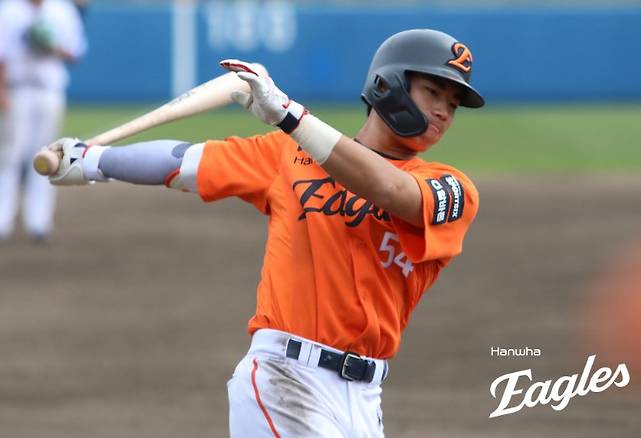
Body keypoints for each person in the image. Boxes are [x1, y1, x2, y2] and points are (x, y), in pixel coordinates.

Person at [44, 29, 484, 436]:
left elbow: (389, 189)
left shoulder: (452, 189)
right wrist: (92, 160)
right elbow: (181, 161)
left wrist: (288, 114)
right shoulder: (287, 156)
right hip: (284, 378)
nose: (443, 111)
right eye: (433, 92)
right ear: (388, 85)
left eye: (452, 103)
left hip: (365, 402)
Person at [0, 0, 86, 242]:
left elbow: (76, 52)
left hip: (49, 91)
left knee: (47, 157)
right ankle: (2, 220)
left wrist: (51, 45)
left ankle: (39, 222)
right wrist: (2, 92)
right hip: (17, 90)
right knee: (9, 155)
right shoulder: (9, 10)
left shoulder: (62, 10)